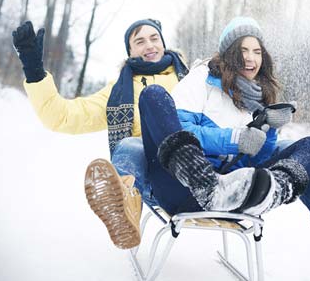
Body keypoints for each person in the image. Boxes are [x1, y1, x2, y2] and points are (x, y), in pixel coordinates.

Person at [91, 16, 310, 254]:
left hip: (235, 190)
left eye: (256, 50)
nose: (250, 57)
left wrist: (267, 128)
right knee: (152, 103)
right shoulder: (201, 77)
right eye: (242, 50)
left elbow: (255, 156)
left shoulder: (261, 94)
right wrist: (234, 138)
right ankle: (128, 200)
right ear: (227, 53)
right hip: (184, 185)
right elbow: (179, 128)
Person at [11, 18, 195, 249]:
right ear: (130, 51)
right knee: (132, 144)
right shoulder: (118, 92)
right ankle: (124, 205)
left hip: (194, 168)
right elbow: (63, 116)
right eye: (140, 41)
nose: (149, 45)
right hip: (153, 177)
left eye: (154, 38)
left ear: (163, 42)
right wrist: (34, 72)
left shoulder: (191, 79)